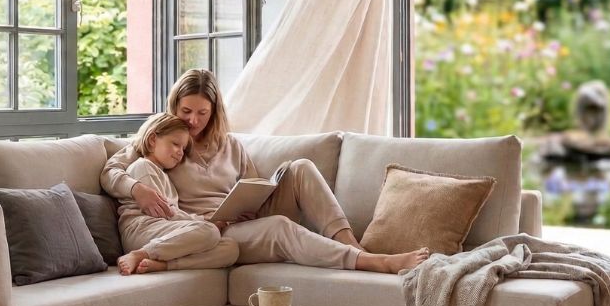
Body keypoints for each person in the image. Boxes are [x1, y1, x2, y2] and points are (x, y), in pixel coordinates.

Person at [101, 69, 428, 274]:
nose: (193, 121)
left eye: (202, 112)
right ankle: (374, 262)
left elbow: (254, 184)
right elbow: (110, 172)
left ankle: (352, 246)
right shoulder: (161, 143)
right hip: (203, 228)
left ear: (214, 113)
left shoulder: (231, 145)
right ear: (174, 108)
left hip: (239, 219)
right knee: (280, 228)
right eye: (185, 111)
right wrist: (136, 190)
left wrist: (249, 202)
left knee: (299, 168)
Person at [114, 112, 238, 275]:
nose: (180, 152)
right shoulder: (144, 167)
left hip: (161, 233)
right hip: (141, 231)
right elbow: (165, 213)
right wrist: (204, 221)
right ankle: (140, 254)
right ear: (152, 140)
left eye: (183, 148)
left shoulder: (164, 175)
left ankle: (163, 265)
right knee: (209, 231)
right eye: (175, 144)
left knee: (230, 248)